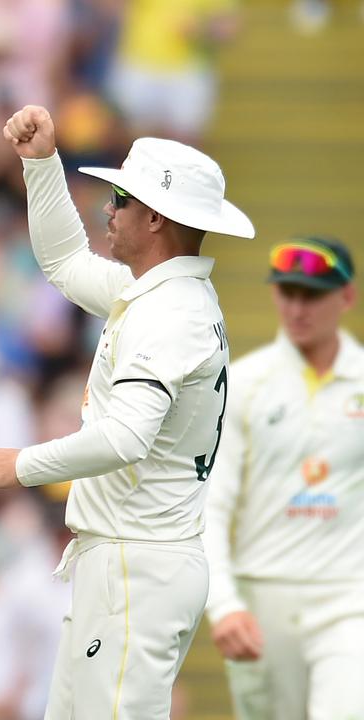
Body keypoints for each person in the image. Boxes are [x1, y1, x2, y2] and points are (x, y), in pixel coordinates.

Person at [0, 104, 255, 718]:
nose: (108, 207)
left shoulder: (167, 314)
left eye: (121, 198)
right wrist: (43, 165)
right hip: (128, 560)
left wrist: (23, 463)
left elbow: (126, 437)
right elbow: (64, 265)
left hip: (138, 564)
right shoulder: (158, 295)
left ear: (154, 217)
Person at [203, 237, 364, 719]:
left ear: (347, 297)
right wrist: (224, 603)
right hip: (261, 601)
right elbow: (211, 503)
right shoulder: (244, 383)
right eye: (286, 292)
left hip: (349, 597)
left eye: (311, 295)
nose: (296, 308)